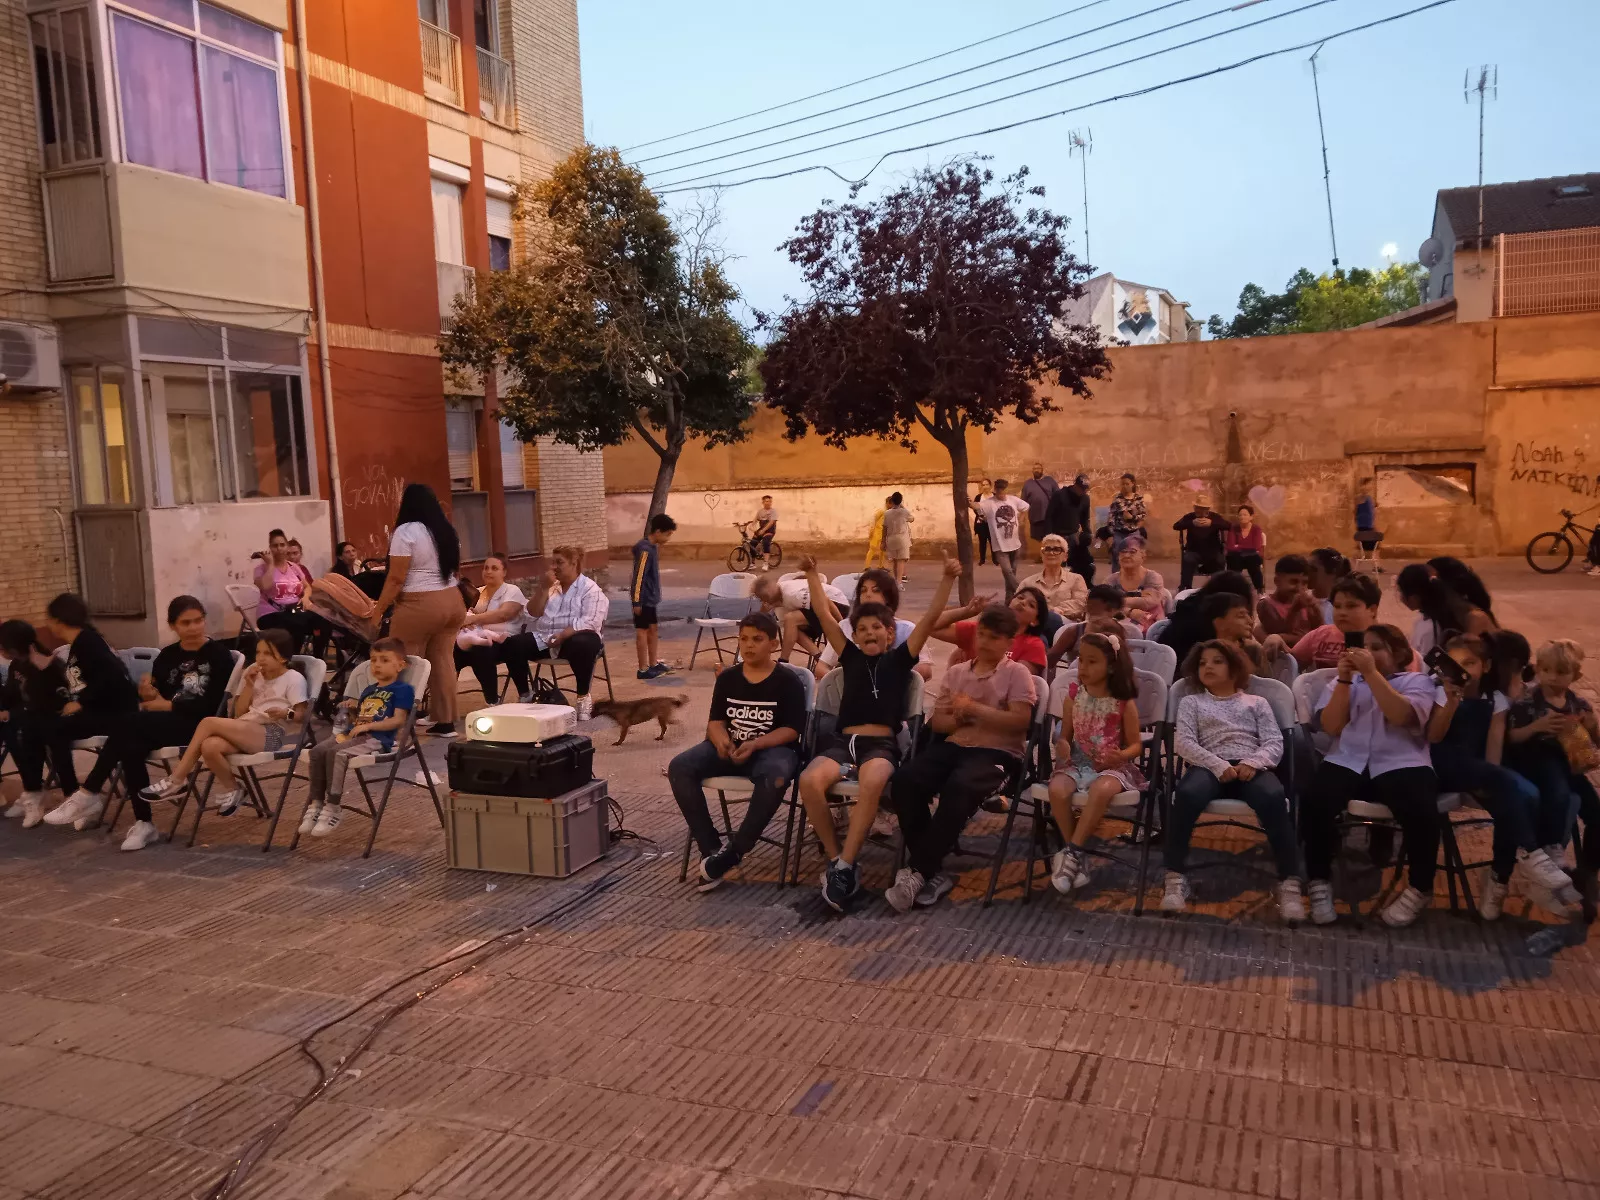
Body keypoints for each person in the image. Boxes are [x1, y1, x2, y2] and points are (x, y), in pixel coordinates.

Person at [798, 553, 959, 911]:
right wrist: (812, 574)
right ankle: (839, 861)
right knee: (809, 780)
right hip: (844, 746)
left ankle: (844, 866)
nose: (869, 633)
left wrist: (947, 578)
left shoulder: (901, 660)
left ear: (890, 634)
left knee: (873, 782)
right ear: (853, 636)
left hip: (880, 746)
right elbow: (825, 617)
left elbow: (930, 618)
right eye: (862, 629)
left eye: (877, 629)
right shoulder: (851, 658)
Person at [885, 604, 1037, 912]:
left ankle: (919, 872)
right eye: (982, 634)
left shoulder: (1018, 673)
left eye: (994, 637)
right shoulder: (956, 672)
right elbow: (940, 723)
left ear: (1009, 642)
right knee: (905, 781)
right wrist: (965, 716)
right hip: (956, 745)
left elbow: (1021, 723)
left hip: (999, 754)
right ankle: (930, 872)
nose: (984, 642)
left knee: (960, 786)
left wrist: (975, 709)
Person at [55, 596, 235, 849]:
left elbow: (213, 705)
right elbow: (155, 695)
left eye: (198, 621)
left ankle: (90, 792)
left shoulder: (218, 655)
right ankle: (144, 823)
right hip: (167, 723)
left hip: (202, 725)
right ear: (173, 626)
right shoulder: (167, 656)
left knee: (127, 724)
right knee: (130, 744)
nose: (194, 627)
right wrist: (149, 692)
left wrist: (166, 704)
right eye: (186, 623)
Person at [1426, 633, 1577, 919]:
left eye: (1469, 663)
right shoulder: (1438, 692)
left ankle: (1499, 878)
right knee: (1508, 788)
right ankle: (1532, 855)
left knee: (1525, 794)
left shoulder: (1495, 699)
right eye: (1454, 663)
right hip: (1443, 768)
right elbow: (1433, 737)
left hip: (1481, 772)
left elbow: (1494, 751)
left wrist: (1487, 783)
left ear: (1485, 666)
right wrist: (1451, 701)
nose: (1462, 670)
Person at [1300, 624, 1440, 928]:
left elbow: (1401, 716)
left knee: (1423, 810)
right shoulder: (1345, 682)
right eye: (1363, 647)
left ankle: (1420, 887)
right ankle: (1319, 881)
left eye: (1377, 647)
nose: (1367, 653)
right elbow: (1332, 726)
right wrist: (1346, 680)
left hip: (1402, 761)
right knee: (1315, 801)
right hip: (1349, 759)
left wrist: (1372, 674)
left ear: (1400, 653)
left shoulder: (1417, 682)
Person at [1164, 641, 1304, 922]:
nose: (1208, 667)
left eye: (1217, 661)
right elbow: (1184, 743)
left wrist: (1253, 762)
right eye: (1203, 663)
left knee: (1274, 798)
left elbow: (1275, 742)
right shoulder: (1192, 702)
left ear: (1234, 667)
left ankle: (1289, 883)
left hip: (1250, 766)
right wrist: (1217, 765)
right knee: (1187, 795)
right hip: (1208, 765)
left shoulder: (1256, 703)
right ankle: (1175, 877)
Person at [669, 612, 806, 891]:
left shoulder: (788, 680)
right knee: (680, 767)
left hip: (771, 751)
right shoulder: (729, 678)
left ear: (774, 644)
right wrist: (720, 740)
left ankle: (736, 851)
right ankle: (711, 850)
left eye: (757, 639)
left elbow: (793, 730)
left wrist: (756, 743)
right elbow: (715, 722)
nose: (749, 645)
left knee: (777, 775)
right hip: (728, 749)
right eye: (743, 639)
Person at [140, 628, 309, 816]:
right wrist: (249, 686)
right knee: (209, 745)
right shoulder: (254, 675)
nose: (261, 658)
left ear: (283, 658)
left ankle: (178, 778)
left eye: (268, 653)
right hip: (248, 728)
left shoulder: (293, 678)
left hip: (275, 734)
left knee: (208, 722)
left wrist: (286, 713)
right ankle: (234, 788)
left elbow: (302, 715)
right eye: (258, 652)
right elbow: (238, 713)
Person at [12, 593, 140, 829]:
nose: (48, 625)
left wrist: (82, 702)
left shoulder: (88, 641)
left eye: (49, 619)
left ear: (59, 620)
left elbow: (112, 677)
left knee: (54, 728)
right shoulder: (81, 642)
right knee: (36, 726)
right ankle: (43, 793)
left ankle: (77, 797)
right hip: (97, 710)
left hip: (115, 713)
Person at [1046, 630, 1144, 895]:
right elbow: (1064, 736)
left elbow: (1136, 744)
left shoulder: (1123, 703)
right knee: (1056, 789)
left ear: (1110, 666)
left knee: (1101, 790)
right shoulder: (1073, 696)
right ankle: (1076, 854)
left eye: (1092, 661)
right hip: (1077, 763)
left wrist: (1122, 756)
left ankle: (1071, 853)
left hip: (1112, 766)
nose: (1083, 667)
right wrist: (1062, 744)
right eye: (1081, 660)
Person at [1507, 639, 1600, 915]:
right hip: (1537, 759)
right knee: (1558, 792)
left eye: (1560, 671)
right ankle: (1551, 846)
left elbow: (1595, 737)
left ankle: (1588, 869)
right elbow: (1512, 737)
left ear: (1576, 676)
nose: (1552, 677)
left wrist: (1590, 728)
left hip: (1568, 763)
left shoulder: (1577, 704)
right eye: (1546, 669)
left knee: (1596, 811)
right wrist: (1538, 726)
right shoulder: (1528, 701)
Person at [372, 484, 466, 736]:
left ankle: (395, 723)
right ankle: (445, 722)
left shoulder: (406, 532)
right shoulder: (446, 530)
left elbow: (395, 579)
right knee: (443, 659)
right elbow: (456, 570)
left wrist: (378, 610)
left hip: (419, 603)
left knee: (403, 662)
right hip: (452, 599)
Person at [297, 637, 414, 838]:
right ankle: (316, 803)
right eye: (374, 660)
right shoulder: (369, 690)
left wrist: (369, 725)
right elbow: (360, 718)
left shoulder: (402, 689)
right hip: (354, 733)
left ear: (400, 665)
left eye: (384, 660)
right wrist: (351, 710)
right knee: (317, 751)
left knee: (337, 754)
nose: (377, 665)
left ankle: (333, 805)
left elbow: (398, 720)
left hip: (376, 738)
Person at [516, 545, 609, 721]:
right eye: (552, 563)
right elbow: (531, 615)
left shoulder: (590, 589)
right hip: (546, 638)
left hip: (574, 640)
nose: (554, 567)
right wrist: (543, 590)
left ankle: (583, 697)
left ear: (574, 563)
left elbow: (590, 621)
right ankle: (526, 695)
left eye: (559, 562)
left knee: (583, 643)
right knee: (513, 644)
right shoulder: (551, 588)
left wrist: (564, 635)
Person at [0, 620, 70, 828]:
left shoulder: (49, 665)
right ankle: (33, 793)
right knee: (14, 730)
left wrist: (11, 713)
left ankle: (65, 795)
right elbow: (11, 695)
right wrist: (6, 710)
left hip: (54, 719)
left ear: (14, 648)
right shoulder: (16, 665)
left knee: (29, 731)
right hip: (29, 719)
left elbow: (55, 702)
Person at [814, 569, 934, 683]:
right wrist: (845, 684)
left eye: (876, 590)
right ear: (855, 636)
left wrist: (894, 681)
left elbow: (925, 669)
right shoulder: (846, 627)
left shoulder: (906, 629)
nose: (868, 595)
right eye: (863, 591)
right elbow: (822, 667)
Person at [453, 553, 531, 707]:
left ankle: (492, 700)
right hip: (478, 637)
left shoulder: (511, 590)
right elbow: (464, 613)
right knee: (449, 652)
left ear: (504, 572)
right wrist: (465, 622)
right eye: (486, 568)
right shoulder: (478, 592)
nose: (488, 571)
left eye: (494, 568)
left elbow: (503, 614)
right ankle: (442, 705)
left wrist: (472, 619)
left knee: (480, 650)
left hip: (506, 641)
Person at [932, 588, 1050, 676]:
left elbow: (1016, 680)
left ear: (1035, 621)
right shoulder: (979, 630)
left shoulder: (1033, 645)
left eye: (1031, 605)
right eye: (1020, 597)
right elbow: (930, 627)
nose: (1023, 602)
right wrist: (968, 611)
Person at [1158, 570, 1255, 667]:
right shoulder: (1199, 637)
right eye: (1241, 615)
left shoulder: (1194, 612)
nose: (1250, 620)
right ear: (1219, 621)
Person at [1397, 563, 1491, 658]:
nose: (1400, 597)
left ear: (1414, 598)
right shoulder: (1427, 619)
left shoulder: (1430, 628)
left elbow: (1423, 661)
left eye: (1401, 592)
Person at [754, 571, 848, 665]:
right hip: (817, 609)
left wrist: (842, 624)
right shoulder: (778, 606)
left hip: (837, 603)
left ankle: (783, 661)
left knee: (790, 619)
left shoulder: (793, 595)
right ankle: (819, 657)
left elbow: (826, 600)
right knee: (790, 628)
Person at [1290, 572, 1381, 671]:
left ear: (1372, 610)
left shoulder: (1386, 641)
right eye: (1337, 606)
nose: (1342, 612)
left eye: (1351, 606)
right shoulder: (1320, 635)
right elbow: (1289, 666)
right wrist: (1277, 640)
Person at [1048, 589, 1141, 671]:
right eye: (1089, 606)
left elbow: (1124, 665)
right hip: (1078, 682)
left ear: (1113, 610)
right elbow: (1049, 662)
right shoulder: (1073, 632)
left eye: (1095, 608)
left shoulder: (1120, 631)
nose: (1090, 611)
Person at [631, 514, 676, 680]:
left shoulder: (653, 548)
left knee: (653, 630)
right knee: (642, 632)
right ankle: (643, 669)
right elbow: (638, 577)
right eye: (667, 534)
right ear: (658, 531)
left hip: (650, 598)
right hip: (643, 599)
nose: (668, 538)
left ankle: (653, 664)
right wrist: (636, 601)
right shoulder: (644, 550)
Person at [254, 528, 312, 653]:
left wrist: (305, 598)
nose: (279, 548)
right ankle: (292, 659)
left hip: (294, 610)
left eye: (282, 545)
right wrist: (270, 565)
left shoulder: (294, 567)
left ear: (287, 547)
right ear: (270, 548)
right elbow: (265, 586)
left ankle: (317, 659)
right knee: (297, 623)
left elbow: (307, 587)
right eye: (275, 546)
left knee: (323, 622)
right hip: (271, 613)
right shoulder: (261, 569)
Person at [1255, 554, 1323, 649]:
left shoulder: (1306, 603)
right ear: (1277, 581)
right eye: (1293, 582)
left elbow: (1320, 632)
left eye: (1304, 583)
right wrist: (1294, 610)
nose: (1300, 588)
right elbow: (1278, 636)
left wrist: (1315, 608)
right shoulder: (1266, 604)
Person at [1019, 534, 1089, 621]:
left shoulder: (1076, 579)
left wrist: (1054, 611)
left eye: (1057, 549)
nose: (1051, 553)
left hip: (1066, 627)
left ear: (1065, 557)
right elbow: (1017, 604)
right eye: (1047, 549)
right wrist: (1050, 611)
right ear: (1041, 554)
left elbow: (1080, 604)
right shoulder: (1028, 583)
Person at [979, 479, 1028, 600]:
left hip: (1015, 544)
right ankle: (1022, 592)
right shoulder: (990, 503)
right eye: (998, 489)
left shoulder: (1013, 499)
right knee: (1007, 572)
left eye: (1003, 489)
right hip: (1000, 546)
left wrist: (1022, 519)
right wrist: (968, 502)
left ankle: (1009, 601)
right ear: (995, 489)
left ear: (1006, 489)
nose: (1000, 491)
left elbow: (1026, 507)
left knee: (1012, 573)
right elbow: (977, 506)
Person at [1105, 535, 1166, 632]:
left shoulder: (1152, 577)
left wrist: (1116, 602)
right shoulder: (1111, 580)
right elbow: (1103, 605)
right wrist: (1130, 612)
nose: (1126, 555)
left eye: (1132, 552)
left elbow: (1149, 602)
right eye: (1123, 552)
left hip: (1151, 629)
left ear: (1143, 555)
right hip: (1117, 630)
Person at [1046, 473, 1095, 584]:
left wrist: (1088, 534)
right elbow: (1049, 516)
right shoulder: (1060, 495)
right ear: (1075, 485)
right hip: (1058, 534)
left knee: (1078, 563)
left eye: (1085, 489)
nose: (1083, 491)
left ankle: (1075, 585)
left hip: (1073, 535)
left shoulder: (1085, 499)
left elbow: (1084, 518)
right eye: (1081, 489)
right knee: (1058, 564)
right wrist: (1049, 536)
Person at [1173, 494, 1226, 591]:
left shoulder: (1214, 517)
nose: (1198, 510)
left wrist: (1212, 523)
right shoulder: (1190, 517)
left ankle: (1218, 587)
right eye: (1197, 508)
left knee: (1220, 560)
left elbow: (1227, 525)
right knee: (1188, 559)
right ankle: (1186, 588)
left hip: (1212, 551)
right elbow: (1176, 526)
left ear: (1207, 509)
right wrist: (1191, 523)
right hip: (1194, 551)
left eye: (1201, 508)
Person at [1107, 473, 1148, 572]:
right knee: (1118, 558)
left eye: (1127, 484)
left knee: (1134, 558)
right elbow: (1111, 517)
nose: (1125, 486)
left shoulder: (1138, 499)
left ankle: (1134, 580)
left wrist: (1132, 517)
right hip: (1119, 533)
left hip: (1133, 533)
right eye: (1123, 484)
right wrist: (1111, 534)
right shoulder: (1117, 499)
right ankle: (1116, 582)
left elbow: (1143, 515)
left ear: (1132, 484)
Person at [1224, 503, 1266, 592]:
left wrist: (1238, 546)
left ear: (1251, 517)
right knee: (1233, 560)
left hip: (1251, 557)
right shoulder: (1233, 528)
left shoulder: (1256, 529)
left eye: (1245, 515)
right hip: (1237, 557)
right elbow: (1230, 547)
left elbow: (1256, 546)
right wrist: (1246, 548)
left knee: (1253, 561)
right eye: (1240, 515)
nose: (1242, 517)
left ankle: (1260, 590)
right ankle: (1232, 590)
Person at [1306, 548, 1350, 625]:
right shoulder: (1301, 598)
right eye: (1306, 567)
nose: (1306, 572)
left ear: (1333, 572)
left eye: (1313, 569)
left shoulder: (1339, 607)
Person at [1021, 463, 1059, 550]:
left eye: (1038, 468)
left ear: (1042, 470)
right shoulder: (1028, 483)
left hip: (1049, 514)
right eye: (1034, 468)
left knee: (1049, 536)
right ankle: (1043, 553)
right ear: (1032, 471)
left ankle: (1045, 555)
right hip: (1035, 515)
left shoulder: (1049, 481)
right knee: (1038, 536)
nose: (1036, 470)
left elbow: (1058, 495)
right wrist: (1022, 516)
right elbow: (1023, 501)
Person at [881, 492, 914, 584]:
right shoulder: (904, 512)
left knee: (895, 560)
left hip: (891, 539)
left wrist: (883, 541)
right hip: (902, 539)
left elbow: (884, 528)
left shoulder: (887, 513)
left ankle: (896, 580)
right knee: (901, 560)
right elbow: (912, 519)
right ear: (900, 501)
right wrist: (902, 506)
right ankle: (899, 582)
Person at [752, 496, 778, 568]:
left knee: (765, 542)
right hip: (761, 529)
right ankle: (752, 563)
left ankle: (766, 563)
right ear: (763, 502)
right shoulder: (760, 511)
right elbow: (754, 521)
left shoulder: (773, 511)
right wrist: (751, 527)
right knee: (752, 543)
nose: (769, 503)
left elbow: (771, 523)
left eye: (770, 501)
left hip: (770, 530)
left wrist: (763, 530)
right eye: (767, 501)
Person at [972, 479, 993, 566]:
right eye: (983, 485)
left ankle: (995, 560)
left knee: (993, 542)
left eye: (987, 485)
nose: (985, 487)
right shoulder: (978, 497)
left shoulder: (994, 496)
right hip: (981, 522)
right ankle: (982, 560)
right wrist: (981, 516)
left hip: (992, 523)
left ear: (990, 486)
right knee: (982, 542)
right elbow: (975, 508)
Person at [864, 497, 889, 569]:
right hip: (876, 533)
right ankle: (867, 567)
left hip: (883, 534)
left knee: (882, 551)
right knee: (872, 549)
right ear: (887, 503)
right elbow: (873, 519)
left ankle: (881, 566)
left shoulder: (888, 513)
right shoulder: (882, 511)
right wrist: (871, 530)